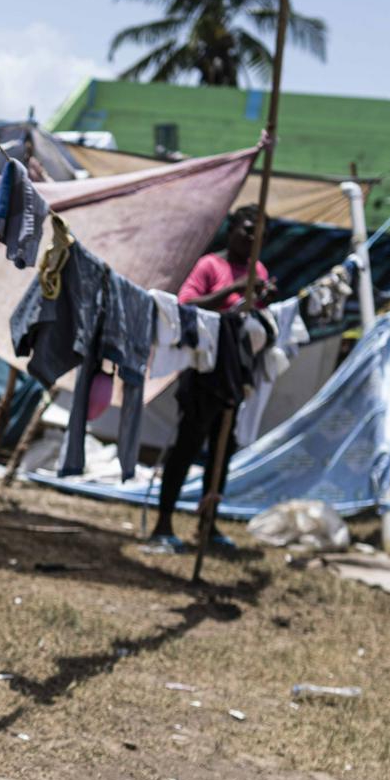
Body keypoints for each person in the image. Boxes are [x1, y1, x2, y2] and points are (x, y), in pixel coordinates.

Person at [148, 206, 274, 554]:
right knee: (187, 446)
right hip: (204, 371)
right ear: (231, 229)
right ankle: (163, 523)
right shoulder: (210, 266)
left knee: (223, 448)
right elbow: (187, 306)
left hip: (235, 373)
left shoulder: (257, 269)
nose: (252, 239)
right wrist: (233, 290)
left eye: (259, 234)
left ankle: (209, 522)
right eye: (247, 230)